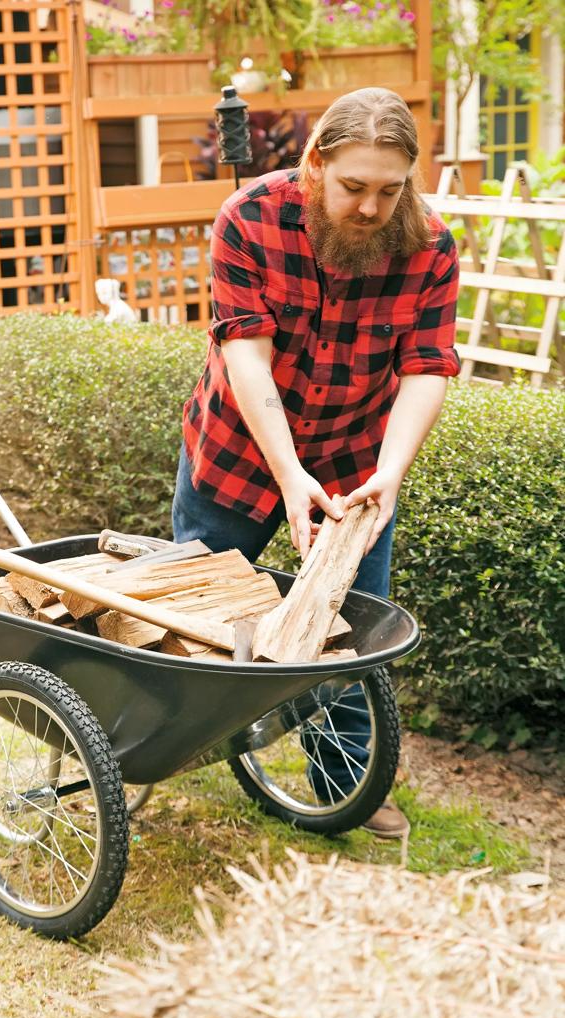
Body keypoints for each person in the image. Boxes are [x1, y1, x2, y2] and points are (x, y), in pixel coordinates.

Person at [172, 87, 460, 839]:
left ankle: (348, 786)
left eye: (388, 190)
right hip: (238, 452)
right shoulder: (249, 220)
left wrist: (392, 470)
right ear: (315, 164)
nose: (370, 208)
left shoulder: (430, 246)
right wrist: (288, 473)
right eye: (354, 187)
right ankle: (174, 748)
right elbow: (246, 355)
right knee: (196, 612)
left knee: (352, 629)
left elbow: (427, 367)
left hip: (354, 460)